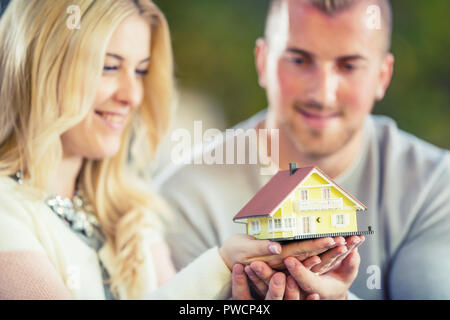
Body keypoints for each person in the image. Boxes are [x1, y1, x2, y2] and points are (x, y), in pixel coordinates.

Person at [0, 0, 326, 300]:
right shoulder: (7, 210)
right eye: (109, 67)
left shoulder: (131, 210)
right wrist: (223, 263)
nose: (132, 95)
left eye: (140, 71)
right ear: (42, 67)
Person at [155, 0, 450, 300]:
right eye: (299, 60)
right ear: (262, 62)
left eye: (348, 66)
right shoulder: (183, 196)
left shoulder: (435, 186)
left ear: (382, 76)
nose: (322, 93)